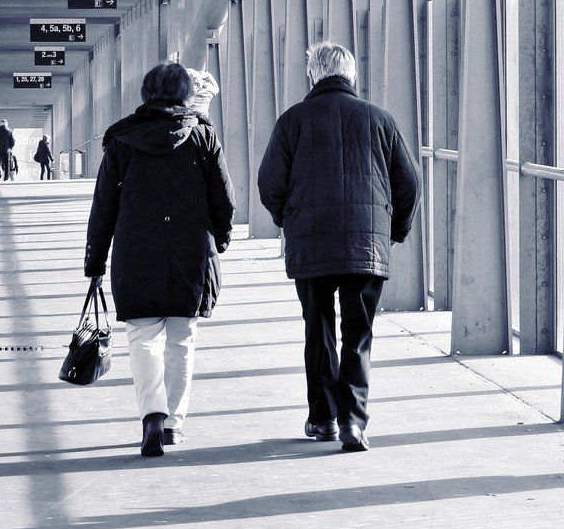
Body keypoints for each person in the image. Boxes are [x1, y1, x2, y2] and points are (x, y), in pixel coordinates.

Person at [257, 41, 421, 452]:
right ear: (351, 75)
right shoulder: (380, 120)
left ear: (313, 73)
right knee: (358, 335)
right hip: (366, 244)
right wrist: (394, 231)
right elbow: (410, 184)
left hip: (310, 244)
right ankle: (353, 422)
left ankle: (323, 418)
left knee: (319, 331)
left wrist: (287, 219)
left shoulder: (292, 121)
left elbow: (268, 183)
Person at [85, 63, 235, 457]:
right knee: (181, 339)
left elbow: (104, 205)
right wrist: (221, 238)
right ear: (186, 93)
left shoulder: (121, 138)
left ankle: (152, 414)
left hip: (137, 250)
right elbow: (224, 197)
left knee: (143, 337)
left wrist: (95, 262)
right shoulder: (202, 135)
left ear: (145, 93)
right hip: (190, 250)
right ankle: (173, 425)